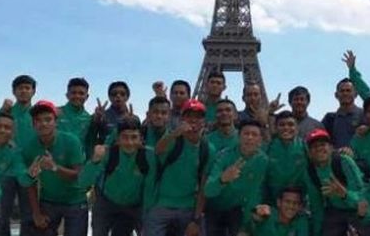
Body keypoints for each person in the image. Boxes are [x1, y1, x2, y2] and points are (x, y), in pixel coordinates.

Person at [144, 99, 214, 236]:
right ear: (182, 119)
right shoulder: (172, 138)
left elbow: (203, 187)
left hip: (188, 207)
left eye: (198, 117)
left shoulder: (207, 149)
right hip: (161, 204)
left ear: (204, 121)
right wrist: (176, 133)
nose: (193, 121)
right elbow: (158, 150)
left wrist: (196, 219)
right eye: (189, 116)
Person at [78, 117, 156, 236]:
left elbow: (150, 189)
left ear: (141, 139)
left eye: (134, 137)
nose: (129, 142)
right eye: (124, 137)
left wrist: (146, 218)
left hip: (135, 204)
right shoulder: (107, 154)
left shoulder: (149, 156)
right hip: (106, 202)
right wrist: (94, 161)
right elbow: (83, 182)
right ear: (117, 139)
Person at [22, 100, 87, 236]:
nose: (43, 123)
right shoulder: (29, 147)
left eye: (48, 119)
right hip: (48, 201)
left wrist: (55, 167)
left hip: (75, 200)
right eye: (38, 120)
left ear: (56, 122)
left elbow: (79, 175)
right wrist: (36, 213)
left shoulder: (71, 141)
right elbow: (29, 182)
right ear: (33, 124)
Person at [0, 74, 37, 236]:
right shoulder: (7, 112)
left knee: (28, 216)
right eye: (20, 88)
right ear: (14, 91)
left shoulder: (37, 114)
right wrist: (1, 111)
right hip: (5, 171)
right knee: (1, 215)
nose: (23, 91)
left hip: (30, 171)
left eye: (27, 88)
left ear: (33, 91)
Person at [205, 119, 269, 235]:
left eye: (254, 135)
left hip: (238, 212)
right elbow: (208, 191)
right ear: (238, 137)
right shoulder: (223, 156)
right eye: (246, 134)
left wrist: (245, 227)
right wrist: (222, 179)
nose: (250, 138)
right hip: (215, 208)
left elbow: (254, 195)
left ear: (260, 140)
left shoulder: (263, 161)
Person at [302, 128, 367, 236]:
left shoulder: (344, 161)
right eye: (314, 146)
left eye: (322, 144)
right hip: (335, 211)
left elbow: (363, 198)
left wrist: (344, 194)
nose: (319, 148)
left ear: (331, 148)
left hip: (357, 210)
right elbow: (316, 207)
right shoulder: (310, 172)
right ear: (309, 154)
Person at [265, 111, 307, 202]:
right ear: (276, 128)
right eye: (282, 125)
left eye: (290, 124)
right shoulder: (267, 148)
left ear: (297, 128)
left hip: (300, 203)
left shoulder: (306, 147)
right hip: (273, 202)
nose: (286, 128)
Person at [56, 77, 100, 160]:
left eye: (81, 93)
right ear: (67, 95)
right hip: (57, 161)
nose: (77, 96)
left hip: (78, 163)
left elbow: (89, 145)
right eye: (73, 93)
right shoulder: (55, 113)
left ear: (87, 96)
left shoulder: (89, 119)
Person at [321, 78, 364, 149]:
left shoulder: (365, 115)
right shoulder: (330, 119)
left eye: (348, 91)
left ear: (356, 94)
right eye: (342, 91)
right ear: (336, 95)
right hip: (337, 158)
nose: (345, 93)